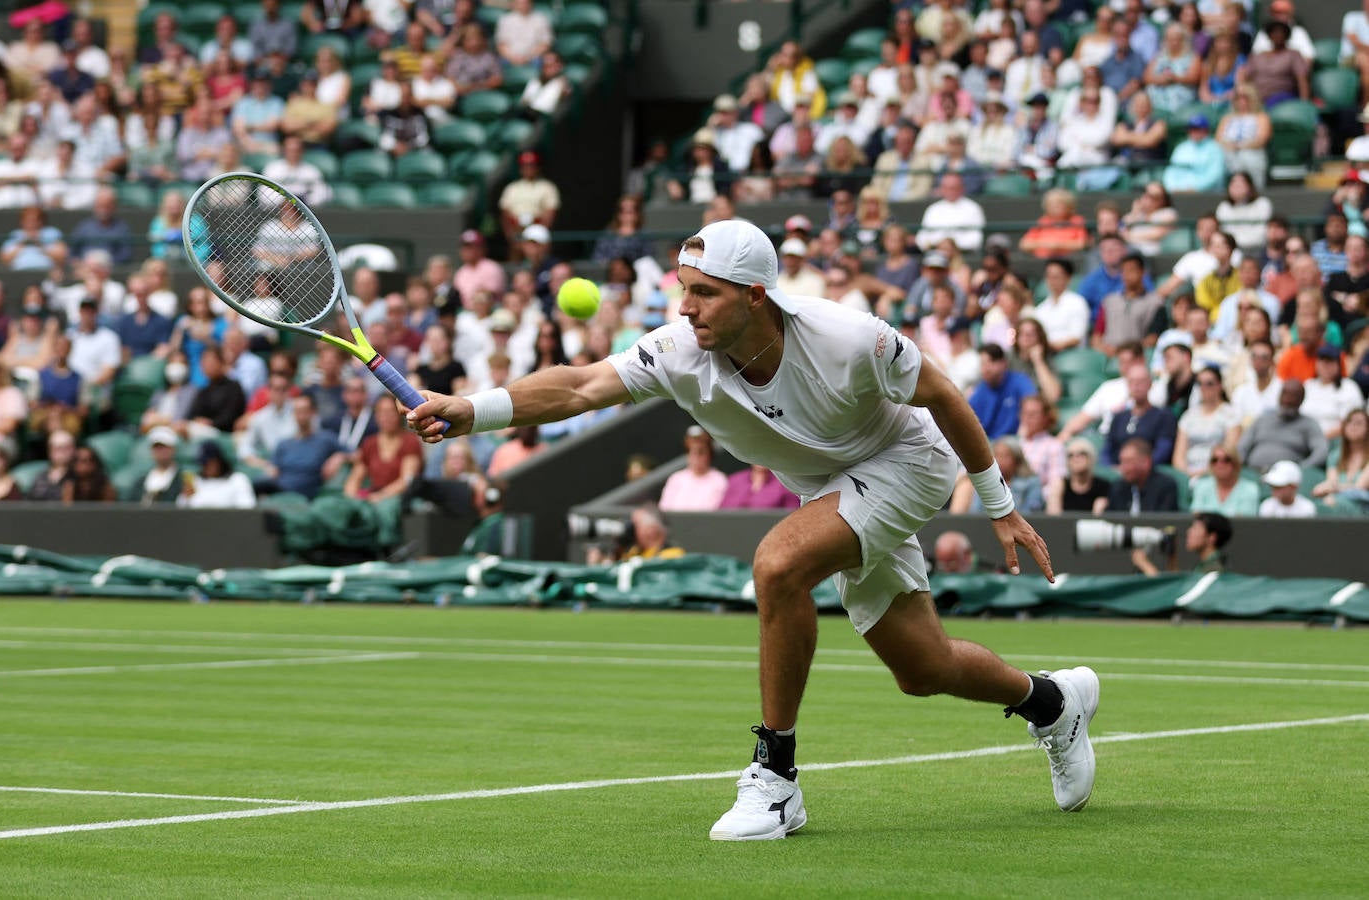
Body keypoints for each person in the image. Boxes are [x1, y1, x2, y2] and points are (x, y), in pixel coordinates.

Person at [406, 219, 1093, 839]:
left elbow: (943, 393)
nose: (684, 306)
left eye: (704, 293)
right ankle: (1052, 703)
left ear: (756, 295)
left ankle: (776, 776)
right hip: (830, 486)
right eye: (683, 288)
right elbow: (582, 386)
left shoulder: (850, 337)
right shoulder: (678, 348)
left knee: (778, 564)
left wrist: (998, 503)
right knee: (923, 668)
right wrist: (475, 408)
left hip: (907, 462)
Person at [1236, 380, 1328, 471]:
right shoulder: (1263, 418)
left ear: (1302, 400)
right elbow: (1242, 447)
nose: (1287, 400)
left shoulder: (1309, 424)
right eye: (1285, 394)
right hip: (1253, 471)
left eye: (1293, 396)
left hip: (1286, 480)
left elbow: (1321, 452)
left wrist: (1301, 469)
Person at [1103, 364, 1177, 465]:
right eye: (1132, 382)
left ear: (1150, 384)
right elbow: (1107, 450)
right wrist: (1110, 469)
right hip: (1118, 473)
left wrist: (1139, 467)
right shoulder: (1119, 417)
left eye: (1141, 381)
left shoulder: (1163, 416)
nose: (1136, 386)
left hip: (1149, 473)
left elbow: (1163, 450)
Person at [968, 343, 1038, 440]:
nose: (986, 368)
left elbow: (1033, 404)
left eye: (991, 362)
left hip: (1016, 441)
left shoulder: (1019, 381)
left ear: (1003, 363)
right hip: (989, 445)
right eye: (983, 364)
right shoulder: (979, 391)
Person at [1131, 512, 1234, 576]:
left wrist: (1144, 564)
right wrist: (1172, 558)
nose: (1189, 532)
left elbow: (1178, 594)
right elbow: (1178, 585)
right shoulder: (1209, 564)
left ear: (1212, 537)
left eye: (1196, 528)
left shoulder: (1214, 569)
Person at [659, 425, 730, 512]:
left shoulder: (719, 480)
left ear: (709, 454)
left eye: (700, 452)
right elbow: (664, 510)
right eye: (690, 451)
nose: (695, 456)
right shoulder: (676, 478)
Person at [1104, 437, 1180, 513]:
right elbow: (1111, 519)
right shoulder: (1118, 487)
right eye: (1122, 462)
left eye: (1129, 462)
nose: (1124, 468)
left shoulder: (1165, 486)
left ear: (1146, 462)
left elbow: (1164, 521)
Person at [1048, 439, 1111, 514]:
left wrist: (1098, 511)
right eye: (1070, 455)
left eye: (1082, 454)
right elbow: (1053, 517)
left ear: (1091, 458)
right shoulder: (1061, 485)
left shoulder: (1103, 486)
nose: (1076, 458)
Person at [134, 425, 187, 505]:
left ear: (173, 449)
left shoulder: (183, 480)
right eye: (156, 447)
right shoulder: (141, 481)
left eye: (164, 447)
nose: (160, 451)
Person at [720, 463, 801, 510]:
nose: (759, 459)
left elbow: (792, 515)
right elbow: (722, 513)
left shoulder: (785, 483)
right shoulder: (735, 480)